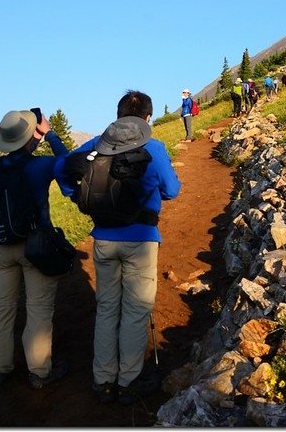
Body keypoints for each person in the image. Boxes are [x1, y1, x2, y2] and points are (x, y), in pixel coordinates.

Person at [54, 90, 181, 405]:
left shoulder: (98, 143)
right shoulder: (154, 147)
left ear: (119, 115)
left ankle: (103, 380)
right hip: (141, 239)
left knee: (108, 307)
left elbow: (62, 169)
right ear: (147, 118)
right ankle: (128, 380)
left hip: (104, 238)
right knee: (136, 311)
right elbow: (172, 190)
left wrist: (79, 195)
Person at [0, 109, 70, 389]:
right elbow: (68, 164)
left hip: (3, 246)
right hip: (35, 246)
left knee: (1, 307)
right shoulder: (41, 166)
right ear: (31, 136)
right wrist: (49, 134)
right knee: (38, 308)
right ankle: (39, 371)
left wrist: (30, 139)